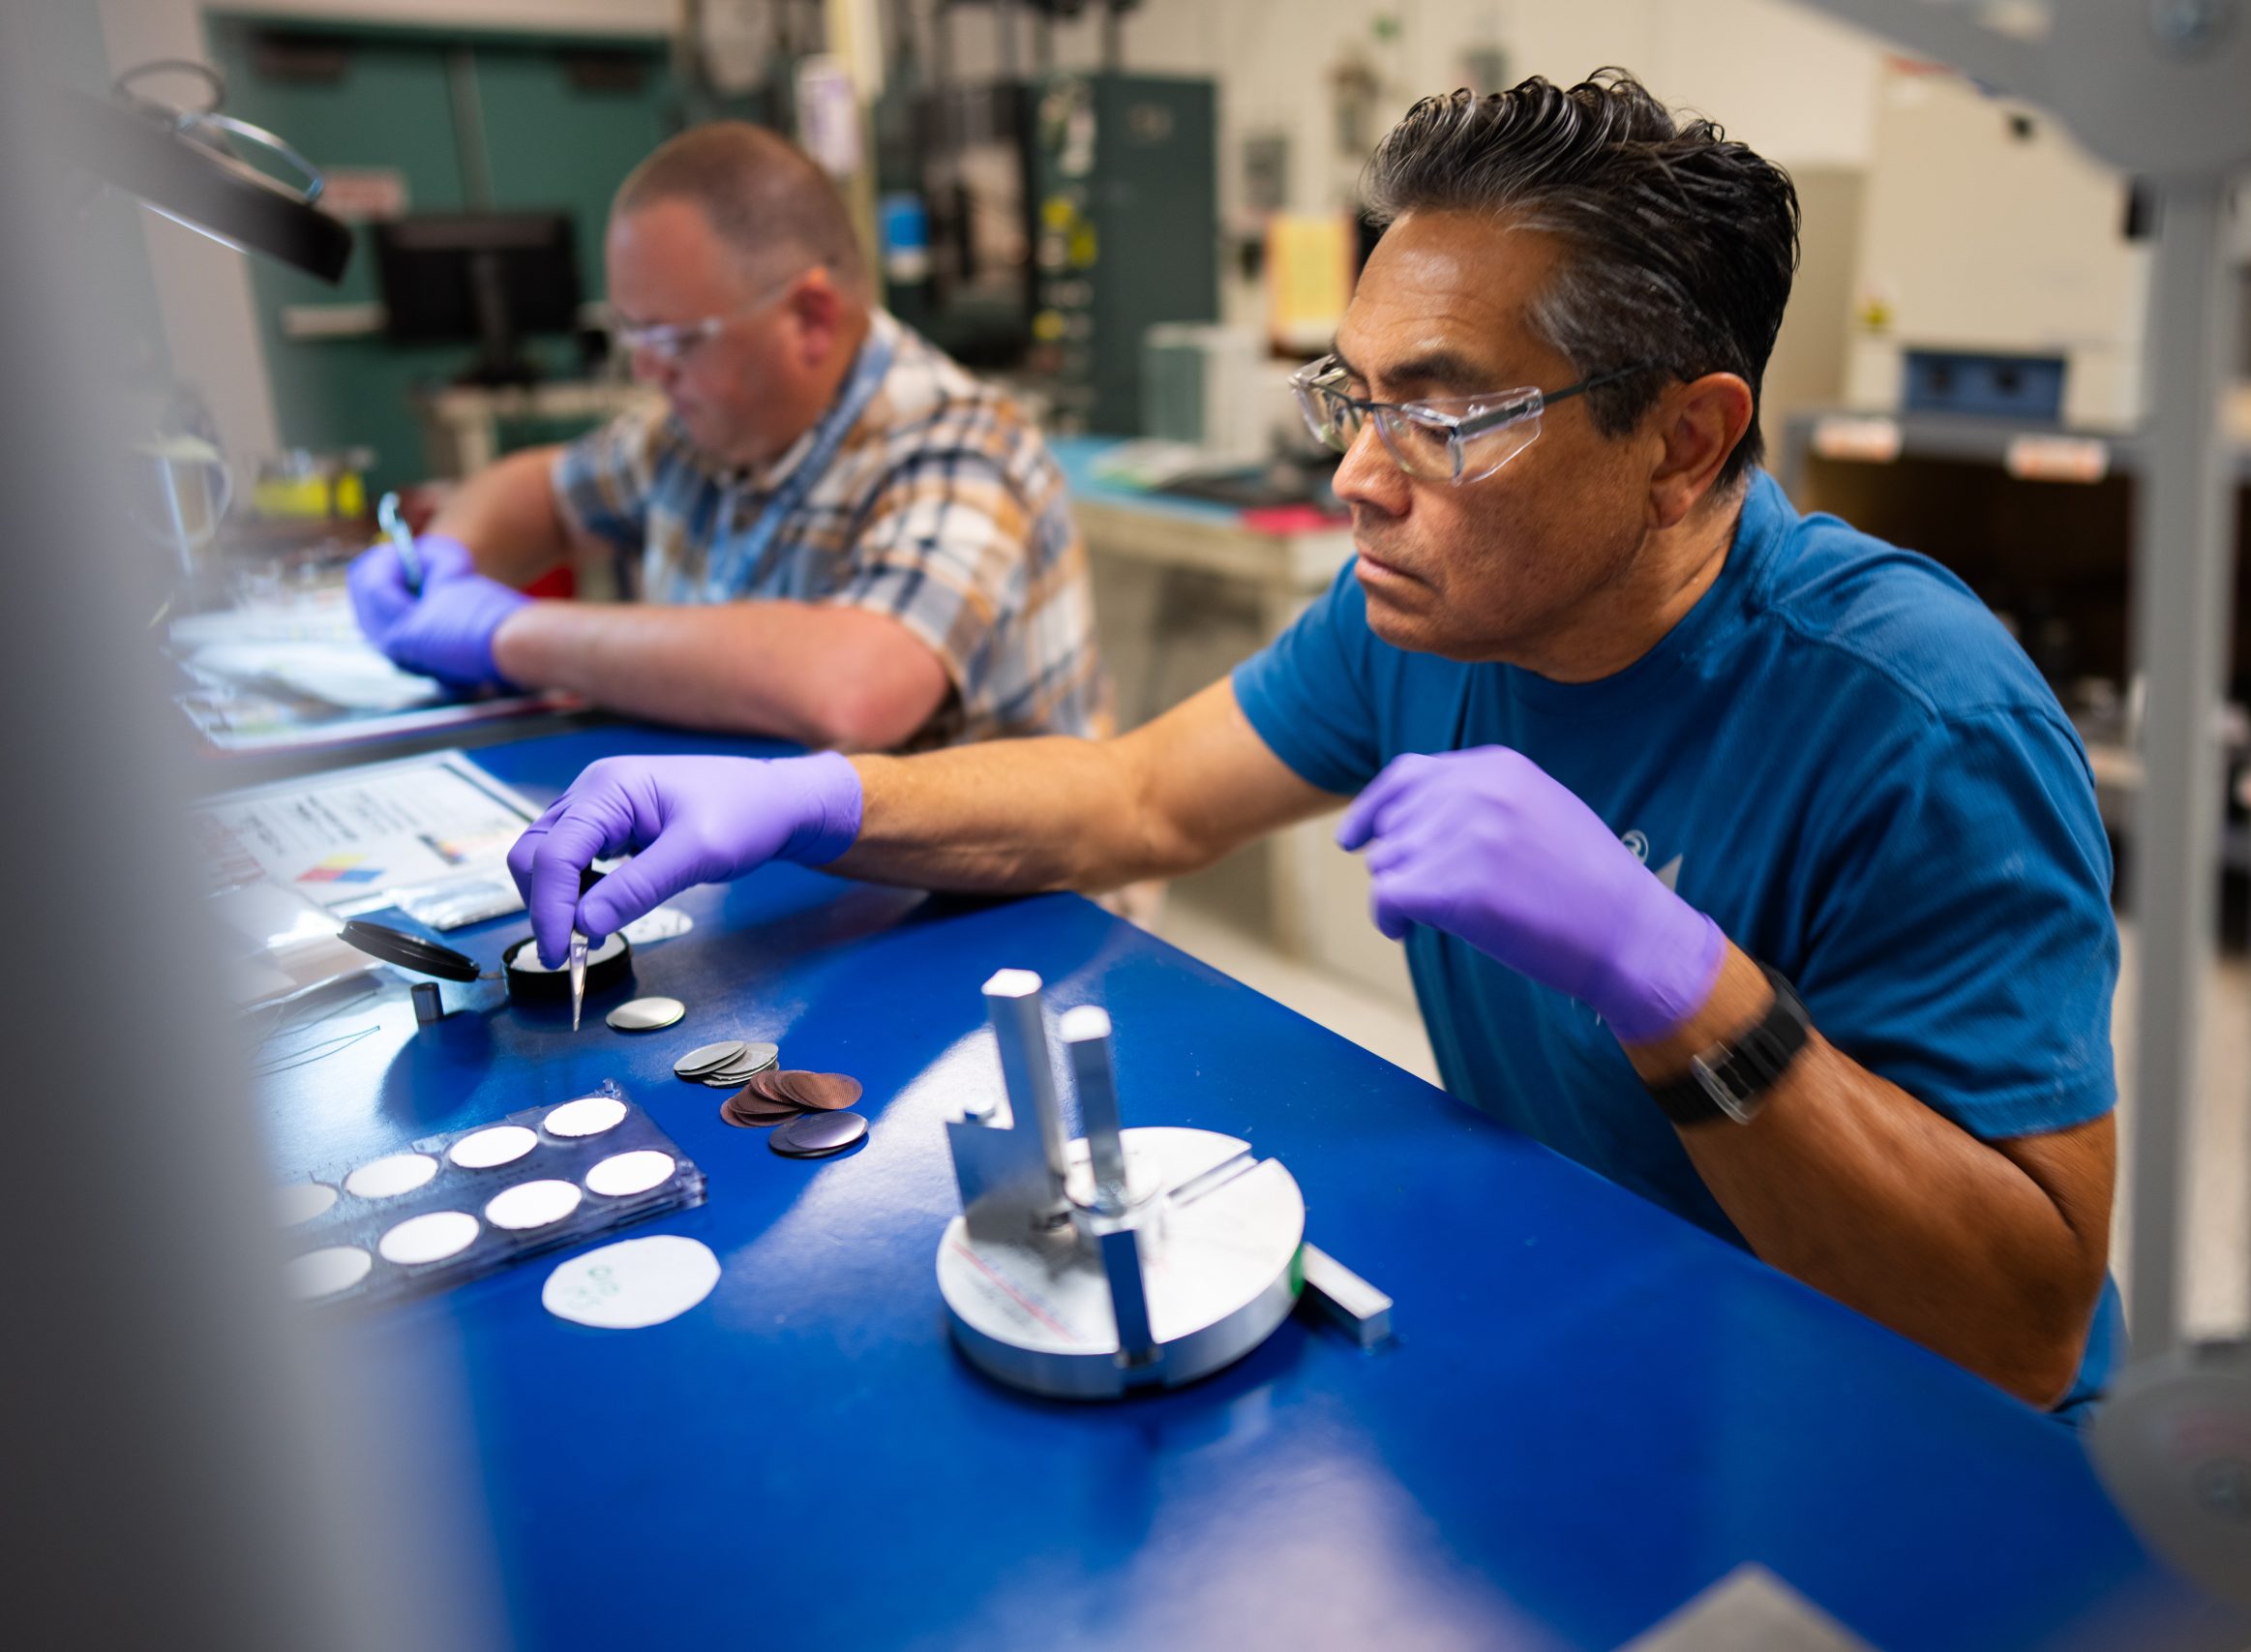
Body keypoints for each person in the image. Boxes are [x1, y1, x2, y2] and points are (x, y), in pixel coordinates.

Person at [508, 74, 2124, 1419]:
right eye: (1350, 399)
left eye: (1446, 414)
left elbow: (2017, 1334)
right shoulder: (1416, 618)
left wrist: (1677, 982)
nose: (1360, 478)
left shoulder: (1916, 722)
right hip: (1615, 1320)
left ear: (1686, 439)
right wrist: (802, 800)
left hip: (1883, 1429)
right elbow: (1134, 795)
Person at [348, 122, 1105, 752]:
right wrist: (440, 564)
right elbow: (540, 491)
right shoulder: (700, 432)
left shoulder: (962, 446)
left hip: (1016, 912)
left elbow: (856, 687)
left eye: (675, 338)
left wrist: (510, 633)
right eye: (632, 333)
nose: (648, 370)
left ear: (809, 317)